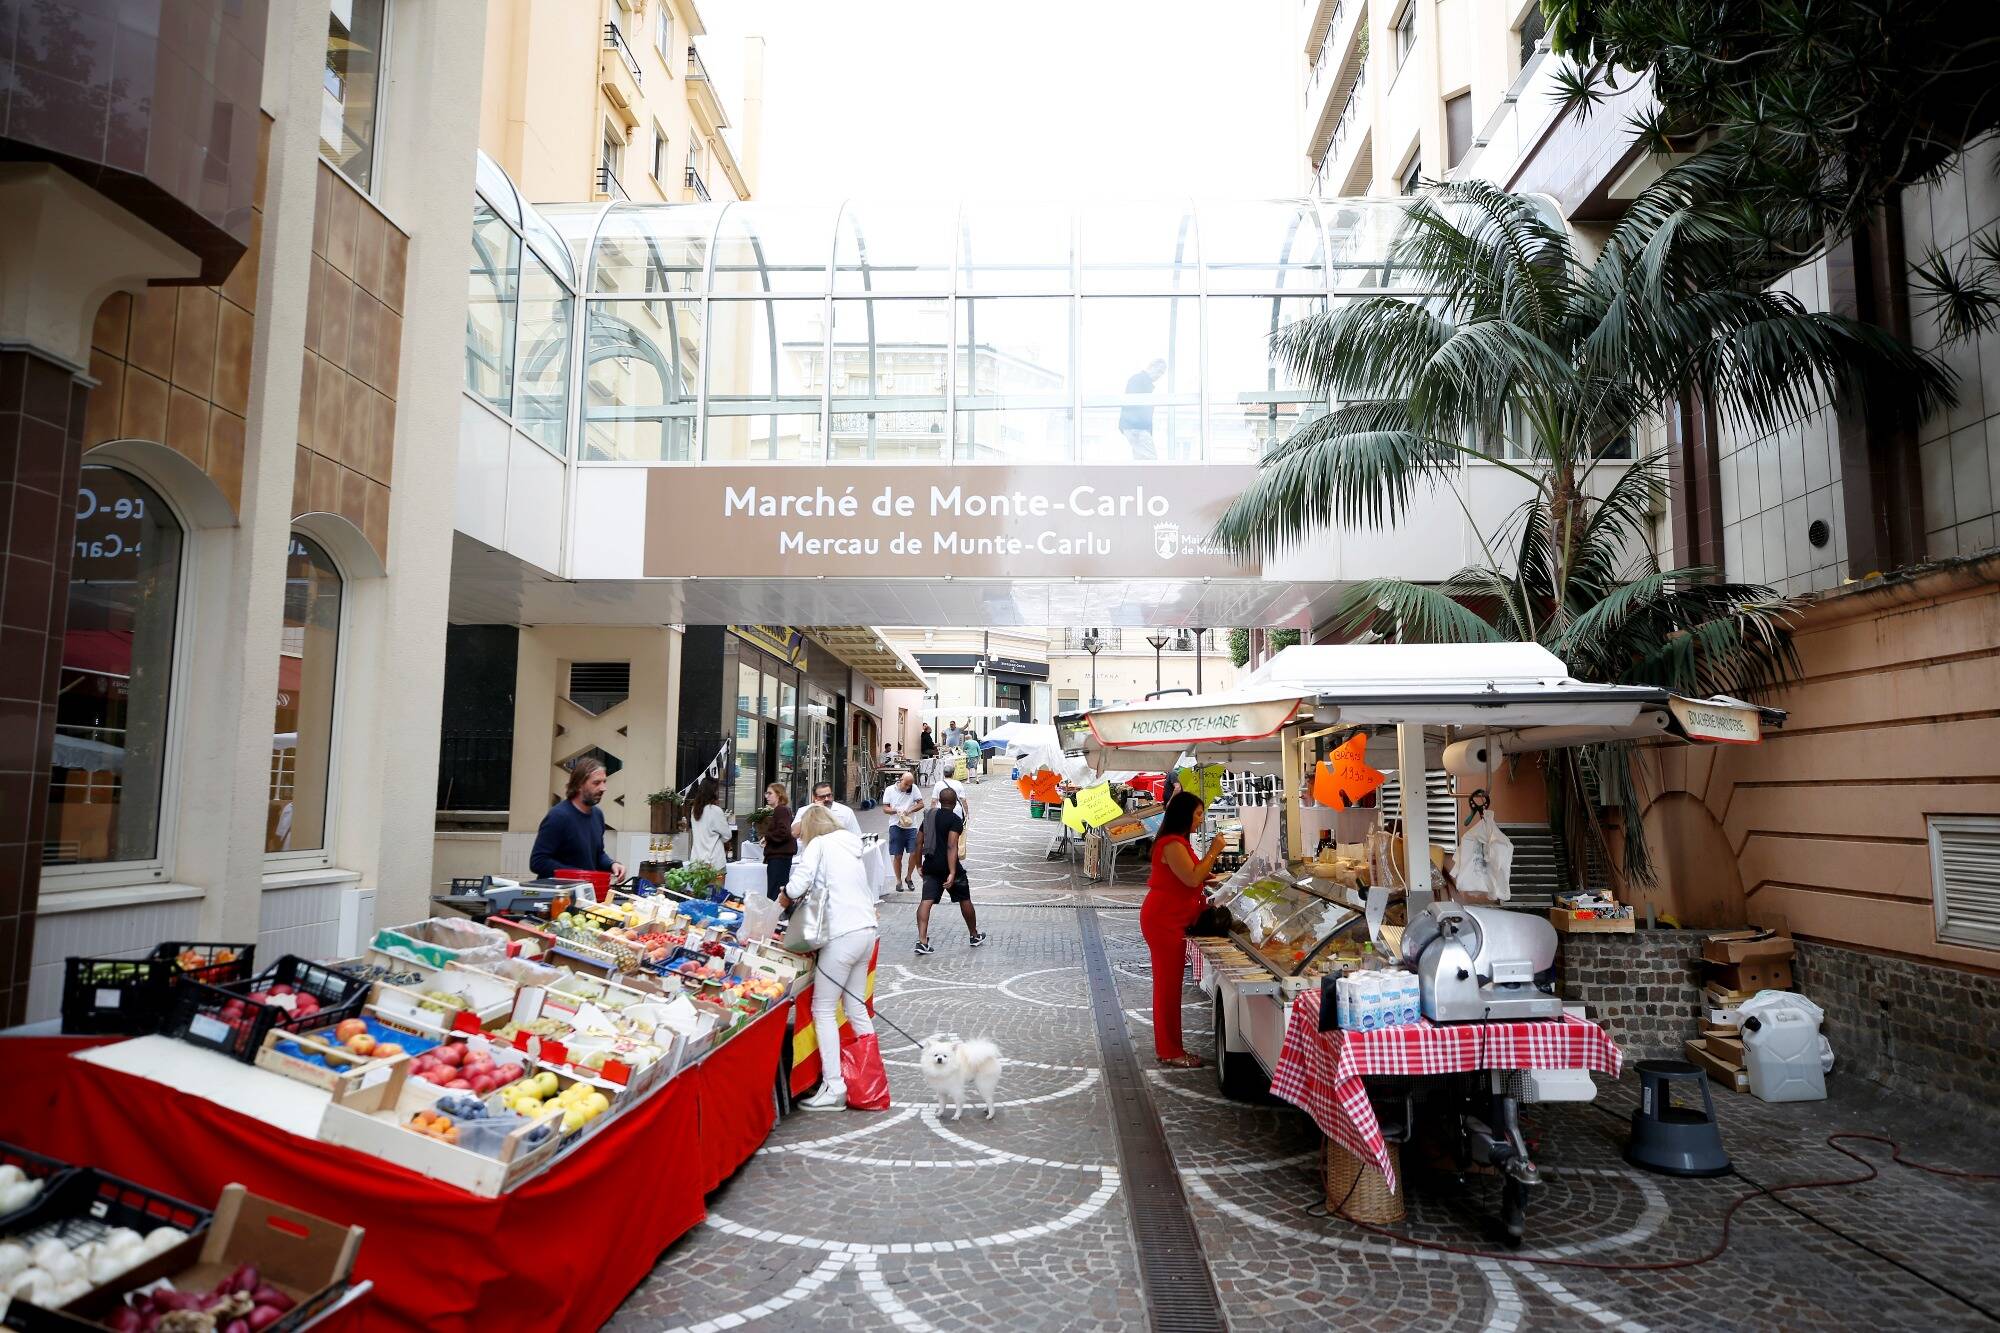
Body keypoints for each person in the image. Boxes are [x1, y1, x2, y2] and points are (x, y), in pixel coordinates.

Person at [779, 805, 880, 1109]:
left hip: (841, 935)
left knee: (822, 1008)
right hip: (866, 932)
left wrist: (781, 896)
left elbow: (797, 886)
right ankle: (869, 1079)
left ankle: (834, 1085)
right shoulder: (851, 844)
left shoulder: (819, 845)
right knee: (855, 1007)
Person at [1142, 792, 1222, 1067]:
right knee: (1167, 987)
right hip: (1164, 921)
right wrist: (1214, 850)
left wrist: (1208, 876)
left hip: (1170, 918)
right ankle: (1170, 1050)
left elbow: (1190, 874)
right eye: (1198, 814)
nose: (1200, 819)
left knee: (1169, 985)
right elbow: (1191, 877)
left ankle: (1169, 1047)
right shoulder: (1172, 843)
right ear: (1184, 814)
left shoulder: (1177, 843)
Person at [529, 757, 625, 889]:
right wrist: (577, 876)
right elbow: (538, 862)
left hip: (586, 894)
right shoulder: (558, 817)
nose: (603, 788)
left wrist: (611, 864)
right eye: (596, 783)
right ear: (579, 784)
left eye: (604, 782)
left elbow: (598, 854)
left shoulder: (598, 815)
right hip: (558, 896)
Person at [913, 787, 986, 955]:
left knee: (926, 901)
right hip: (949, 866)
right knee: (964, 899)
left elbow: (918, 842)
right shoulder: (955, 819)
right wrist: (952, 872)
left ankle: (922, 941)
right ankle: (974, 935)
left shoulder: (929, 817)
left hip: (930, 865)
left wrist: (918, 864)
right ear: (954, 804)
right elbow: (952, 845)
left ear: (939, 800)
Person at [881, 770, 926, 892]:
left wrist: (909, 810)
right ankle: (898, 880)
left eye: (909, 785)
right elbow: (885, 808)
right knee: (898, 855)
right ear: (900, 780)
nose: (907, 787)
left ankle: (909, 877)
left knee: (914, 853)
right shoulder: (890, 790)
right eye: (906, 784)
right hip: (895, 825)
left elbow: (921, 804)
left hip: (911, 826)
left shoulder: (914, 789)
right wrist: (896, 811)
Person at [1121, 358, 1167, 461]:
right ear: (1151, 367)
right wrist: (1135, 428)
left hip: (1136, 427)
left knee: (1140, 459)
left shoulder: (1139, 380)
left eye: (1162, 373)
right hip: (1137, 428)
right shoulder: (1139, 380)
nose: (1159, 376)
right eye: (1159, 371)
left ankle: (1140, 477)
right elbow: (1132, 403)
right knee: (1151, 459)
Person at [761, 782, 797, 902]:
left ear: (779, 795)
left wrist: (768, 837)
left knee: (775, 892)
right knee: (777, 890)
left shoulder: (781, 810)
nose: (767, 796)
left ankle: (774, 918)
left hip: (779, 857)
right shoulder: (782, 810)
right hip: (780, 856)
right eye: (766, 793)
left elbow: (784, 832)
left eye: (770, 793)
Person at [686, 777, 731, 869]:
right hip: (714, 862)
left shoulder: (694, 810)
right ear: (713, 792)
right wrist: (716, 839)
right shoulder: (715, 810)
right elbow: (727, 835)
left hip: (696, 860)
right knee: (715, 884)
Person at [794, 780, 861, 838]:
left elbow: (856, 834)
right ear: (814, 797)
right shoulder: (803, 810)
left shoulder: (845, 811)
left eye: (829, 795)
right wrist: (814, 812)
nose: (826, 799)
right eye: (822, 797)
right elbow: (794, 833)